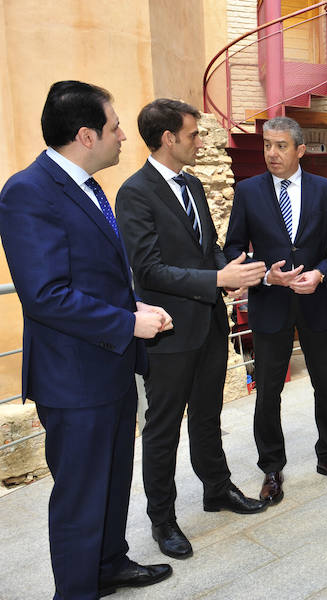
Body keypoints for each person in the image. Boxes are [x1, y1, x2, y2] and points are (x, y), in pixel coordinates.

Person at [0, 81, 174, 598]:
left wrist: (133, 306)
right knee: (80, 496)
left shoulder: (89, 187)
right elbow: (46, 296)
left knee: (114, 479)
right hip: (74, 379)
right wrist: (126, 324)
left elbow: (92, 276)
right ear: (85, 135)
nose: (124, 135)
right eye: (116, 126)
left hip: (111, 370)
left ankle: (109, 564)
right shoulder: (27, 192)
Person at [115, 99, 269, 561]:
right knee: (162, 429)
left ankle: (216, 489)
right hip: (167, 333)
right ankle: (162, 520)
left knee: (207, 417)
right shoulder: (134, 193)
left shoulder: (194, 185)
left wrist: (231, 269)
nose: (200, 141)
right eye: (193, 134)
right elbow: (149, 270)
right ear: (168, 138)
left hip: (209, 325)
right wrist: (217, 280)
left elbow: (210, 249)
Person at [223, 116, 327, 503]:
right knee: (268, 390)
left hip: (317, 301)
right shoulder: (247, 191)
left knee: (326, 385)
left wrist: (320, 273)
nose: (272, 153)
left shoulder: (324, 190)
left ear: (300, 150)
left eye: (281, 146)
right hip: (270, 303)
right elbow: (232, 248)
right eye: (267, 145)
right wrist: (265, 275)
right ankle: (271, 467)